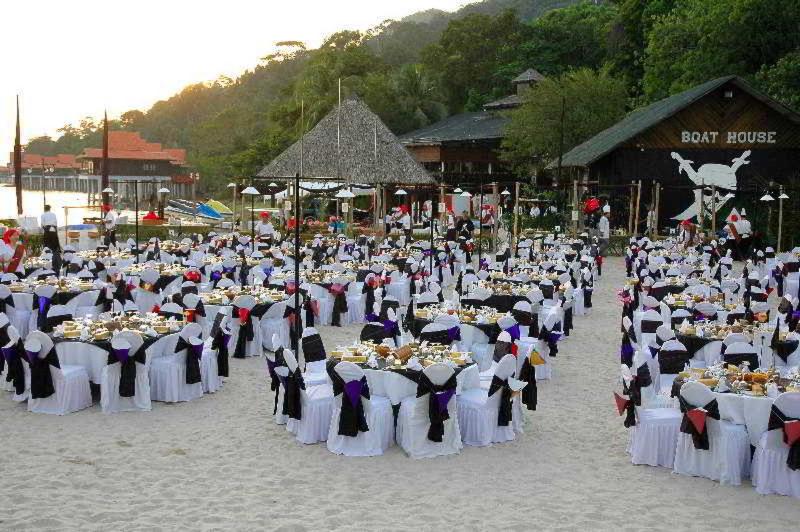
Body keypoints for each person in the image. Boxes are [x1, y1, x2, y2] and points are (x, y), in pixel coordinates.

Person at [40, 205, 62, 273]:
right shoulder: (53, 214)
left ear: (44, 209)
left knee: (47, 245)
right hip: (54, 230)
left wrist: (44, 230)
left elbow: (42, 224)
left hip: (47, 230)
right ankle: (56, 257)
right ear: (50, 209)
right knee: (55, 245)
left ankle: (48, 258)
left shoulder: (43, 215)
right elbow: (56, 223)